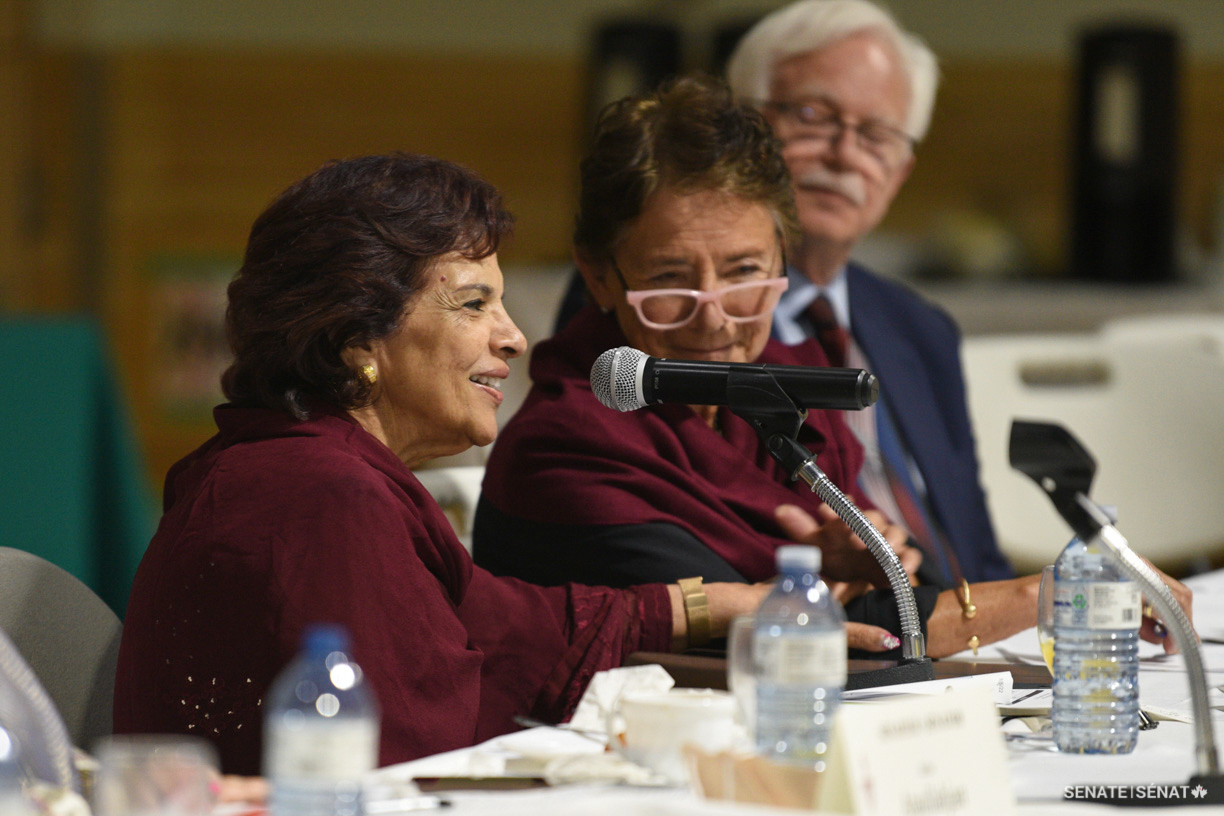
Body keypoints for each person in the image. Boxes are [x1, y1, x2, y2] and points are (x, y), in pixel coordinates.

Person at [474, 77, 1193, 661]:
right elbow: (802, 640)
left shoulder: (786, 386)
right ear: (598, 277)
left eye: (746, 273)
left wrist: (849, 567)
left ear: (787, 258)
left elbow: (897, 593)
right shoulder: (563, 449)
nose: (717, 319)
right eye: (669, 284)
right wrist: (1052, 593)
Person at [112, 153, 784, 775]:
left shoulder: (311, 471)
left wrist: (714, 604)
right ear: (354, 338)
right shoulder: (326, 499)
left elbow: (514, 624)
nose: (515, 336)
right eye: (473, 304)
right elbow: (400, 774)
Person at [726, 0, 1012, 586]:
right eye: (813, 115)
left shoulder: (919, 327)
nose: (845, 154)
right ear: (740, 126)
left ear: (901, 171)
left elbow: (978, 557)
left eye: (877, 135)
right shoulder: (669, 309)